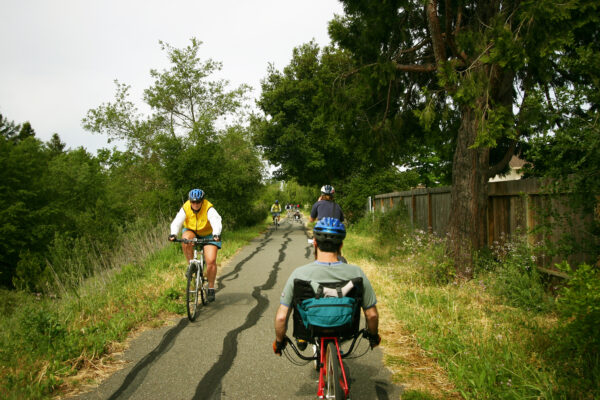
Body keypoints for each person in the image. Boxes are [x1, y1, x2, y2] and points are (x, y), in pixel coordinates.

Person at [273, 217, 380, 355]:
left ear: (315, 243)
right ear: (341, 245)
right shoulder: (357, 273)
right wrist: (373, 336)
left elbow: (281, 317)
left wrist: (279, 341)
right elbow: (371, 315)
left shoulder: (299, 274)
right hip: (346, 329)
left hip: (309, 329)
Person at [169, 188, 222, 302]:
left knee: (211, 261)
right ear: (190, 201)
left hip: (208, 234)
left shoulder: (209, 208)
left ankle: (211, 287)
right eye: (193, 202)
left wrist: (216, 234)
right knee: (185, 239)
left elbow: (216, 221)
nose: (195, 204)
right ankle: (191, 265)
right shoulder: (186, 207)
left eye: (198, 202)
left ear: (202, 201)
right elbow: (177, 221)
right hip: (192, 230)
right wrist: (173, 233)